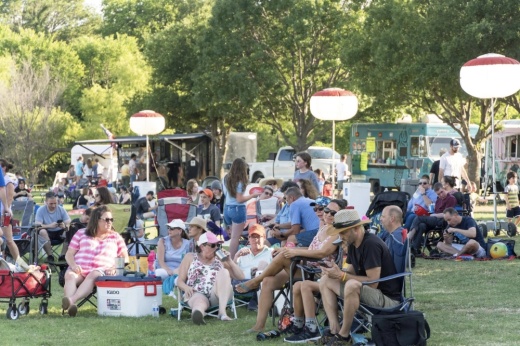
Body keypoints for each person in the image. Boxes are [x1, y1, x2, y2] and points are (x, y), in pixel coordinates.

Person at [236, 199, 342, 334]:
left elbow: (323, 252)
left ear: (340, 214)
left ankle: (256, 281)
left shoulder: (337, 232)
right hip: (304, 265)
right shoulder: (323, 227)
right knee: (268, 280)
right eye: (325, 210)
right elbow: (311, 248)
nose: (326, 214)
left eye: (332, 212)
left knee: (285, 255)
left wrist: (293, 251)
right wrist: (288, 250)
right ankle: (259, 325)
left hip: (317, 272)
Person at [318, 209, 402, 345]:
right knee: (325, 280)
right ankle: (334, 330)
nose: (341, 236)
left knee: (352, 285)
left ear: (356, 228)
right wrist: (333, 272)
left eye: (343, 232)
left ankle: (344, 336)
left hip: (387, 298)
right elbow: (348, 272)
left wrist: (342, 275)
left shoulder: (371, 244)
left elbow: (373, 282)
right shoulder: (353, 244)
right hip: (370, 292)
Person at [62, 205, 128, 317]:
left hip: (102, 270)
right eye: (106, 219)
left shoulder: (115, 237)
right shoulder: (81, 233)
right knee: (69, 276)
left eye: (111, 219)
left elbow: (125, 257)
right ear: (96, 220)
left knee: (94, 274)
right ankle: (70, 306)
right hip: (80, 268)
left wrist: (114, 268)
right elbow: (69, 254)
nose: (110, 222)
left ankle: (71, 301)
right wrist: (73, 265)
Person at [176, 232, 234, 324]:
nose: (216, 248)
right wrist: (186, 288)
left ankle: (222, 313)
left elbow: (240, 276)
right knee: (199, 301)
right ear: (202, 246)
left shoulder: (220, 259)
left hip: (217, 295)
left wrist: (230, 261)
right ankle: (197, 314)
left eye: (218, 245)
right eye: (213, 245)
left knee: (224, 272)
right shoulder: (190, 257)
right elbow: (179, 281)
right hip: (196, 293)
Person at [223, 158, 260, 258]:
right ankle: (231, 260)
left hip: (227, 208)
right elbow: (239, 199)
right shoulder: (240, 181)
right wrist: (253, 196)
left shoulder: (226, 178)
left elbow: (225, 194)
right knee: (235, 238)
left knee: (232, 237)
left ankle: (229, 258)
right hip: (238, 209)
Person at [231, 224, 273, 311]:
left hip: (261, 283)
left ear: (264, 237)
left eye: (258, 237)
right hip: (239, 283)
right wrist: (236, 257)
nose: (255, 240)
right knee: (227, 264)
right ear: (249, 239)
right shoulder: (242, 252)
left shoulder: (271, 252)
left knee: (262, 265)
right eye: (252, 237)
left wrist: (259, 272)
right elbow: (233, 271)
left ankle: (255, 300)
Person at [408, 182, 457, 255]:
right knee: (421, 225)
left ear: (444, 188)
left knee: (418, 218)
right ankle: (415, 249)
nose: (441, 195)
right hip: (435, 219)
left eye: (441, 192)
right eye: (438, 194)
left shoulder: (451, 198)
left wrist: (434, 215)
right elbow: (435, 211)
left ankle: (409, 237)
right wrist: (431, 213)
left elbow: (447, 215)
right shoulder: (438, 200)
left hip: (443, 220)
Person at [36, 191, 72, 262]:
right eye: (51, 204)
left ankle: (63, 255)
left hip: (59, 232)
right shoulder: (41, 210)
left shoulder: (61, 209)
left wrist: (65, 226)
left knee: (69, 230)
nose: (53, 206)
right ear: (46, 202)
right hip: (47, 233)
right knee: (42, 231)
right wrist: (49, 226)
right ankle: (50, 256)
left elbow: (68, 223)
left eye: (55, 203)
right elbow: (37, 225)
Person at [264, 181, 299, 247]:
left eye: (286, 195)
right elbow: (277, 219)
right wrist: (271, 227)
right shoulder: (286, 206)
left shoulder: (298, 206)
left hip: (289, 237)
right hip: (280, 235)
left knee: (283, 243)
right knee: (264, 243)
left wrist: (281, 233)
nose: (285, 198)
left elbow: (295, 226)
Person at [0, 159, 16, 262]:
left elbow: (10, 199)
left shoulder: (8, 181)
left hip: (4, 214)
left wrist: (4, 212)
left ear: (4, 167)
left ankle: (19, 262)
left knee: (9, 240)